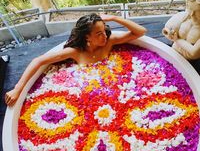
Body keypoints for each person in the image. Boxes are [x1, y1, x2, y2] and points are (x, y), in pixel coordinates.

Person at [5, 13, 147, 106]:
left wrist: (114, 18)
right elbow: (38, 60)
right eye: (99, 34)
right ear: (87, 37)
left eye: (104, 31)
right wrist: (17, 89)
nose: (104, 36)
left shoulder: (109, 41)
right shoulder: (75, 52)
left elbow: (141, 32)